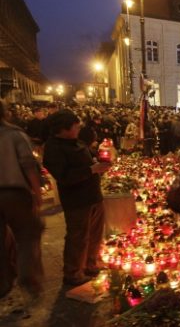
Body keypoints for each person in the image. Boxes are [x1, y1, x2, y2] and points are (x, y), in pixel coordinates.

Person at [43, 109, 111, 286]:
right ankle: (73, 272)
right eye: (75, 127)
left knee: (95, 233)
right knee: (78, 236)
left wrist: (97, 164)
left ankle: (90, 263)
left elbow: (87, 163)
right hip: (77, 200)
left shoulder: (75, 142)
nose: (78, 130)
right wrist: (91, 170)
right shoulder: (54, 148)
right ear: (63, 129)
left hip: (93, 195)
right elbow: (64, 176)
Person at [0, 99, 45, 299]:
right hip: (14, 193)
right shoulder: (14, 135)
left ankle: (3, 282)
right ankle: (28, 277)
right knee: (27, 234)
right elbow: (28, 165)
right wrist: (37, 192)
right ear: (5, 113)